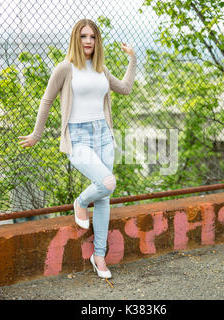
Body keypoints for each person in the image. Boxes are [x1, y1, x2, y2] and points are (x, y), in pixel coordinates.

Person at [18, 19, 137, 279]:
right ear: (76, 38)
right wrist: (37, 134)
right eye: (83, 36)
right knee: (107, 182)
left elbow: (126, 89)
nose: (88, 41)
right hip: (78, 136)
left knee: (105, 197)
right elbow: (47, 100)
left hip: (104, 135)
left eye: (93, 37)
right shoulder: (65, 68)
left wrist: (133, 59)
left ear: (97, 41)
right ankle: (80, 202)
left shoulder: (101, 69)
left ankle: (99, 256)